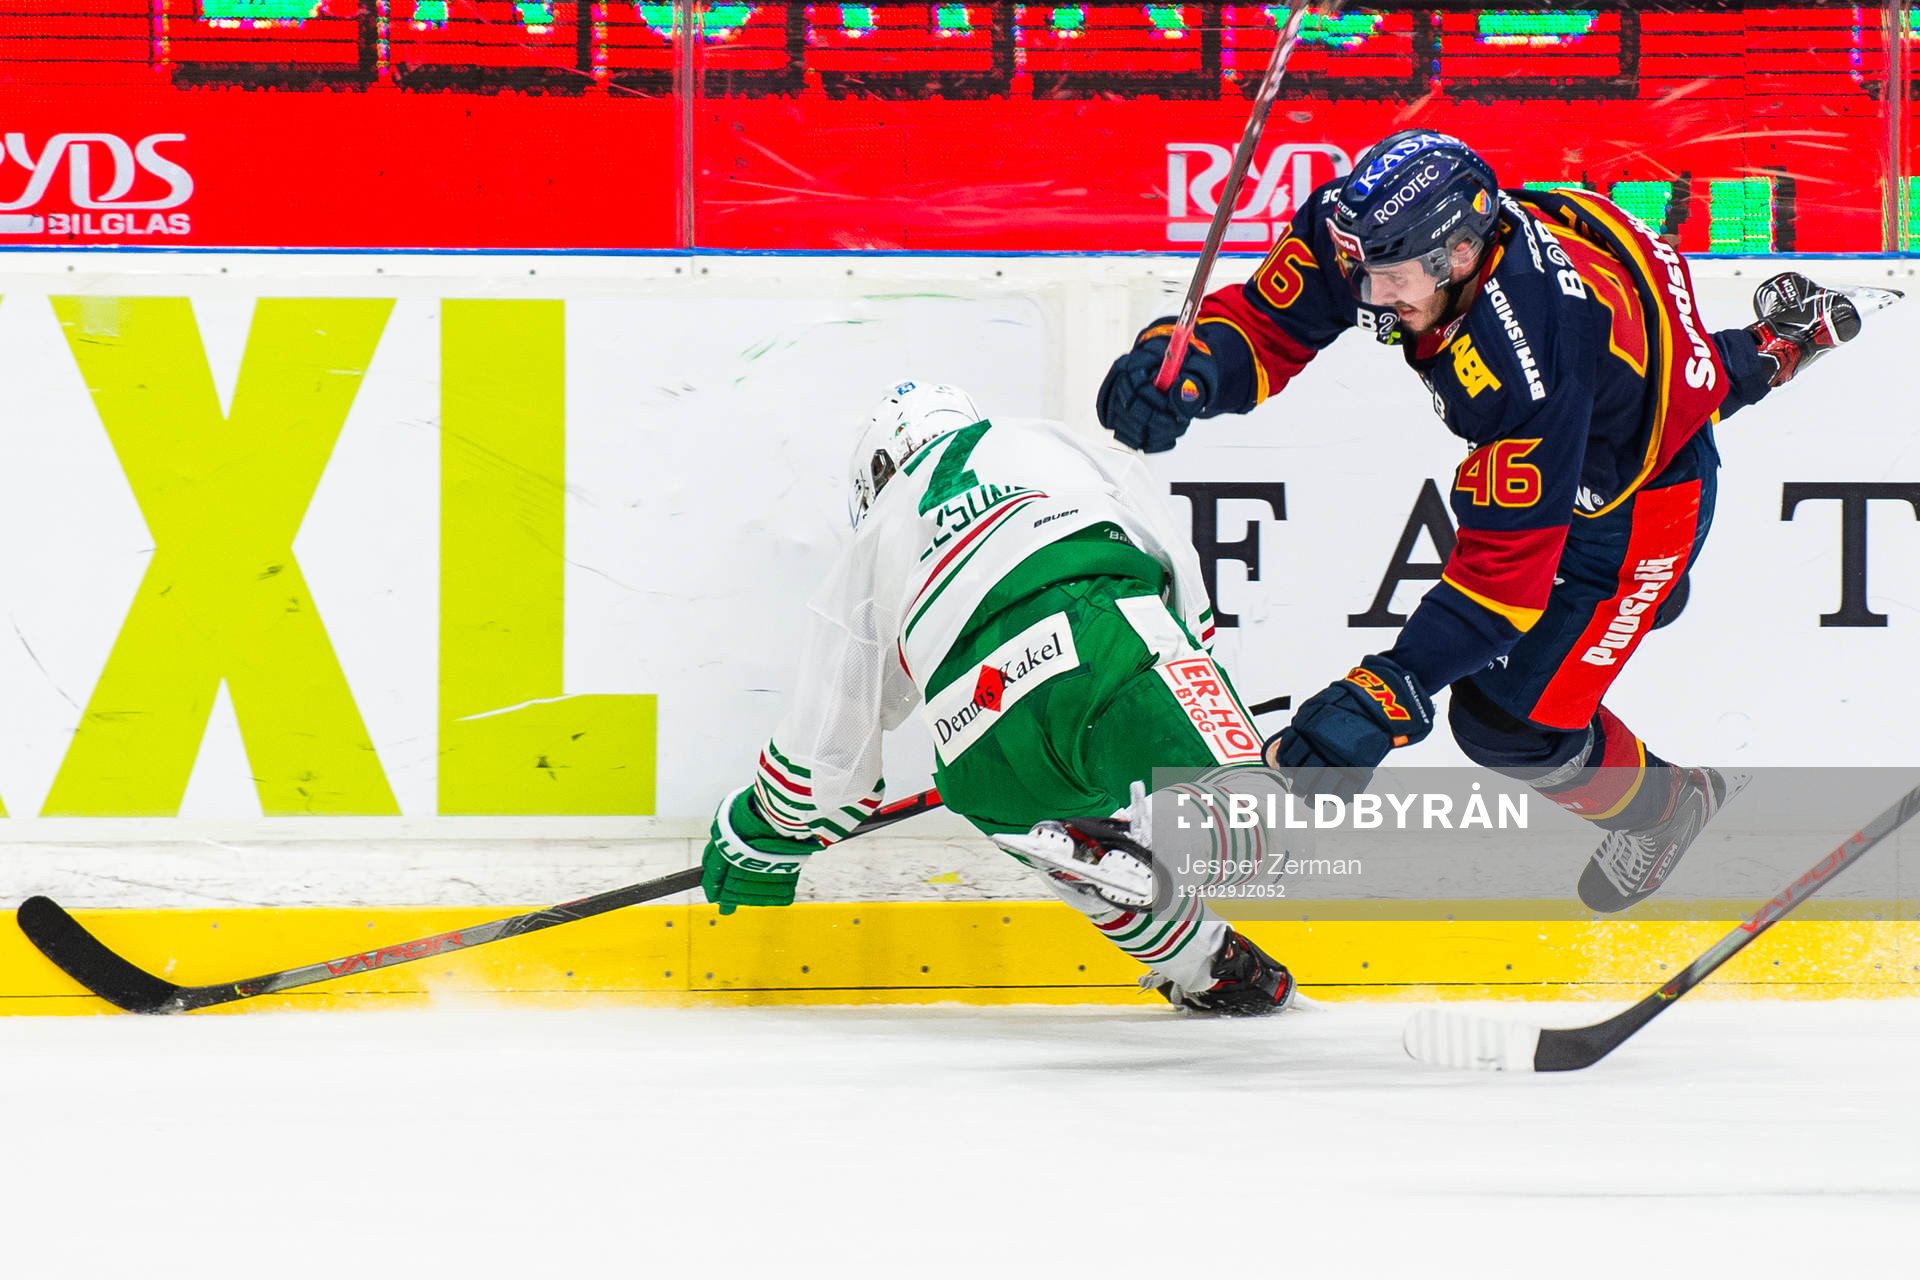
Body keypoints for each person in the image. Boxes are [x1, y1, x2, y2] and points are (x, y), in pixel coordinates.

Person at [1097, 130, 1895, 912]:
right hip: (1614, 376)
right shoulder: (1369, 233)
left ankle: (1666, 806)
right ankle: (1775, 346)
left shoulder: (1527, 360)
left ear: (1462, 255)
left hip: (1637, 510)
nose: (1371, 298)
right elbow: (1274, 322)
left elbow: (1499, 584)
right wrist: (1187, 367)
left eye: (1393, 281)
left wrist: (1383, 693)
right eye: (1364, 274)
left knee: (1505, 725)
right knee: (1671, 381)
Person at [700, 381, 1295, 1014]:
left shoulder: (877, 537)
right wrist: (1189, 668)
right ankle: (1151, 838)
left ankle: (1208, 965)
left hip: (975, 735)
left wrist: (759, 835)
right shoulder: (1055, 442)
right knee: (1262, 812)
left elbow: (828, 751)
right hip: (1101, 636)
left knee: (1066, 849)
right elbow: (1176, 563)